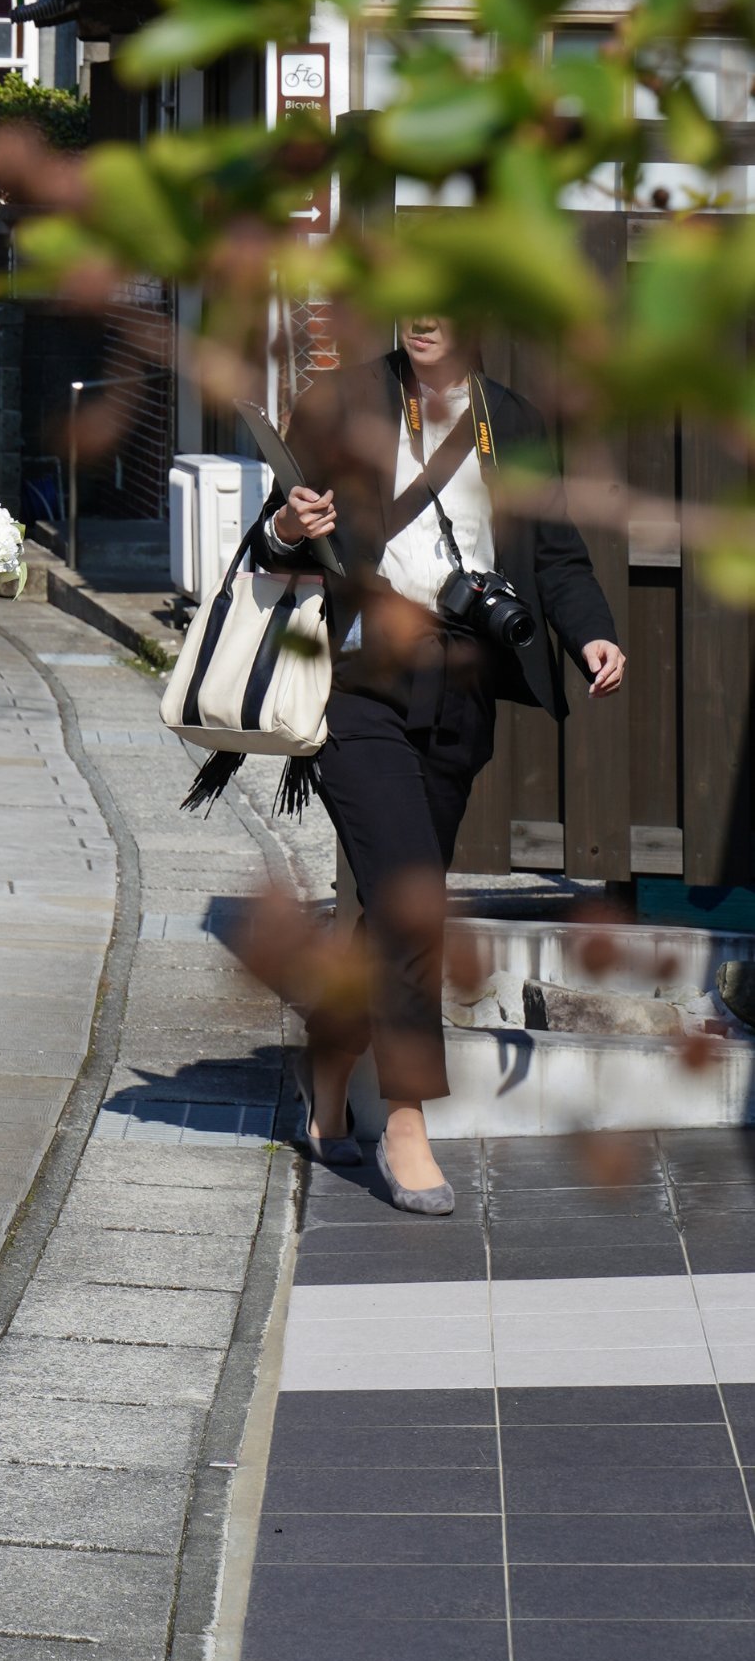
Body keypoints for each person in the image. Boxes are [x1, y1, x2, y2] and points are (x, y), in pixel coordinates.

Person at [258, 316, 622, 1214]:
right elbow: (269, 543)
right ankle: (408, 1120)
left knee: (393, 905)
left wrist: (593, 632)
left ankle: (329, 1058)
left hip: (460, 686)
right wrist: (286, 525)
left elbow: (557, 553)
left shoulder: (518, 422)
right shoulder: (342, 403)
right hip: (355, 679)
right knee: (413, 896)